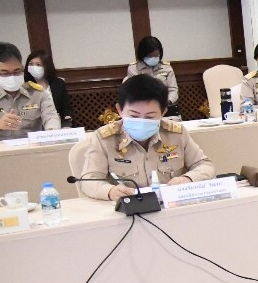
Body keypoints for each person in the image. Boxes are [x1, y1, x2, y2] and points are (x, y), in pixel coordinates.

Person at [78, 75, 214, 201]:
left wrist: (188, 179)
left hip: (171, 207)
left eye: (150, 117)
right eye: (134, 116)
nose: (142, 122)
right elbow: (89, 180)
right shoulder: (104, 138)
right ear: (120, 110)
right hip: (128, 210)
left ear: (163, 113)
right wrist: (110, 191)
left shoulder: (176, 134)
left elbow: (205, 166)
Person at [0, 41, 60, 141]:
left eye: (17, 71)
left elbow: (51, 117)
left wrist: (52, 131)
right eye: (5, 73)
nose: (12, 76)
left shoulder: (38, 93)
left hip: (32, 147)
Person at [125, 35, 179, 116]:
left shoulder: (166, 67)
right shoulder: (134, 69)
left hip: (166, 108)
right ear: (143, 55)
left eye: (156, 55)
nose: (153, 58)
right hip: (143, 110)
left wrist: (167, 101)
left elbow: (173, 90)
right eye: (150, 56)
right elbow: (133, 92)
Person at [25, 49, 73, 127]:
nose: (34, 67)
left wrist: (67, 118)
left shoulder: (58, 83)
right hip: (35, 126)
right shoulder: (25, 87)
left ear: (46, 66)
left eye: (38, 64)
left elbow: (66, 108)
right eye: (31, 64)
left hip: (58, 124)